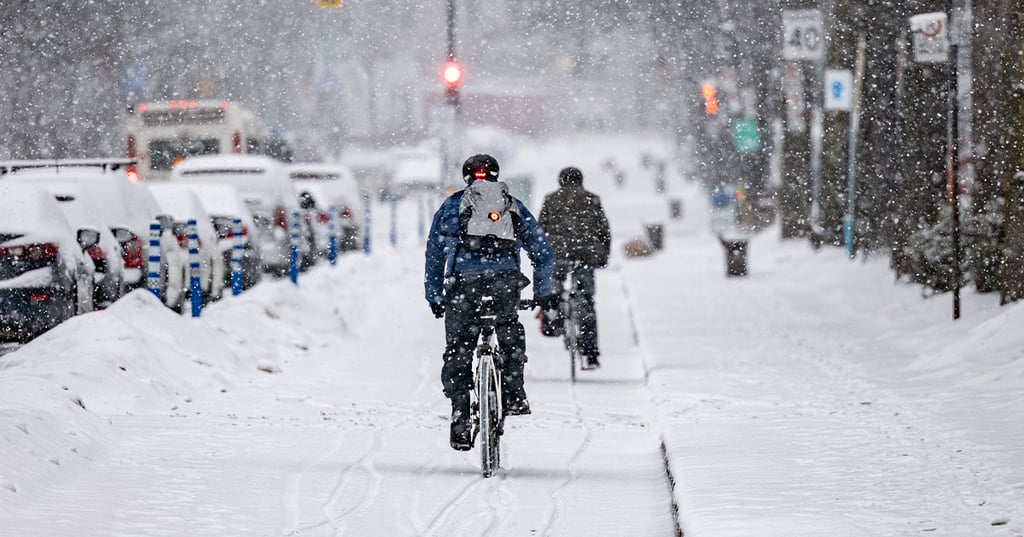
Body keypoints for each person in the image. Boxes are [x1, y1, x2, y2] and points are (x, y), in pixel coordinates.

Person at [424, 153, 558, 451]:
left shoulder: (451, 206)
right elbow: (542, 252)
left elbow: (434, 253)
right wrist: (543, 291)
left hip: (464, 288)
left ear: (466, 176)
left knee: (458, 349)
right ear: (496, 175)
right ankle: (514, 393)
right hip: (504, 284)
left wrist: (434, 295)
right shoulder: (512, 205)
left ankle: (460, 416)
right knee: (509, 330)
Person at [538, 166, 611, 369]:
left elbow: (540, 228)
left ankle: (555, 316)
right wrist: (602, 256)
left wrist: (541, 257)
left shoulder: (551, 199)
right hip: (585, 255)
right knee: (586, 301)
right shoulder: (592, 199)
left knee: (554, 288)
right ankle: (590, 353)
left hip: (557, 254)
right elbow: (604, 230)